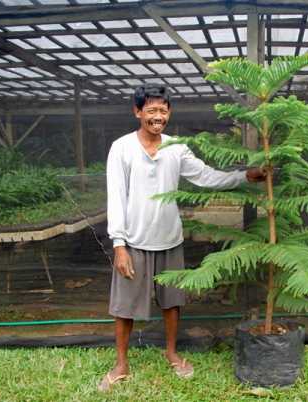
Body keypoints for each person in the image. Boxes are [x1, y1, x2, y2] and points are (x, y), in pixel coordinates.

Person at [98, 83, 265, 391]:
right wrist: (119, 245)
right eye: (151, 110)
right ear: (137, 112)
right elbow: (116, 198)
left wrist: (243, 176)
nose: (157, 116)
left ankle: (172, 353)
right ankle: (121, 364)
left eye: (163, 110)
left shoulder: (176, 146)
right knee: (124, 306)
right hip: (134, 241)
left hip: (170, 239)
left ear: (169, 112)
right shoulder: (122, 148)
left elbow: (205, 175)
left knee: (172, 302)